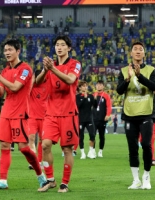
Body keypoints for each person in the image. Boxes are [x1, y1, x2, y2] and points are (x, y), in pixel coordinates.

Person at [0, 39, 46, 190]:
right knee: (4, 145)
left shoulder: (25, 69)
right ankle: (3, 181)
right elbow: (1, 94)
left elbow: (15, 87)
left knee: (24, 148)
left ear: (18, 51)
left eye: (10, 50)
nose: (7, 53)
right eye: (5, 50)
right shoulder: (6, 71)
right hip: (6, 113)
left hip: (20, 113)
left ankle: (41, 176)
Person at [36, 35, 80, 193]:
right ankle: (50, 180)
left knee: (67, 149)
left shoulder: (75, 64)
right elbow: (37, 82)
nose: (59, 47)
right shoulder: (50, 66)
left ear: (69, 48)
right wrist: (44, 70)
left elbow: (70, 80)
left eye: (62, 45)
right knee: (45, 145)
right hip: (51, 113)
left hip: (68, 113)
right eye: (57, 45)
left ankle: (65, 183)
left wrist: (52, 69)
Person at [116, 41, 155, 190]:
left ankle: (146, 177)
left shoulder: (151, 70)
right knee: (132, 148)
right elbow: (119, 91)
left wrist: (139, 76)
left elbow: (154, 87)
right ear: (131, 53)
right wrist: (128, 79)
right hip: (129, 114)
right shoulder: (123, 71)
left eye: (141, 49)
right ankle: (136, 180)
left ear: (144, 54)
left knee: (146, 145)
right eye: (135, 49)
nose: (138, 51)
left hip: (146, 114)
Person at [28, 69, 48, 169]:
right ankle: (33, 161)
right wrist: (32, 78)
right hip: (32, 117)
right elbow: (27, 89)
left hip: (44, 117)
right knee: (31, 138)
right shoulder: (32, 86)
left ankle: (40, 161)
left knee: (42, 141)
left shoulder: (47, 84)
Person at [76, 81, 97, 159]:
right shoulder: (77, 97)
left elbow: (95, 106)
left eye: (86, 86)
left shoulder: (90, 96)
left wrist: (95, 100)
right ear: (80, 88)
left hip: (89, 119)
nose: (85, 87)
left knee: (92, 135)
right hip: (81, 119)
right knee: (81, 137)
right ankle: (82, 153)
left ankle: (91, 152)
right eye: (83, 86)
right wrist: (84, 98)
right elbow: (78, 106)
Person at [93, 80, 112, 158]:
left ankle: (100, 151)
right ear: (96, 86)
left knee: (102, 136)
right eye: (97, 84)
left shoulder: (106, 96)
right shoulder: (93, 95)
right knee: (92, 136)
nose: (99, 86)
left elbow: (109, 106)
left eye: (100, 85)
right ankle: (93, 151)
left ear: (103, 86)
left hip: (102, 119)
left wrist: (107, 115)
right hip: (93, 119)